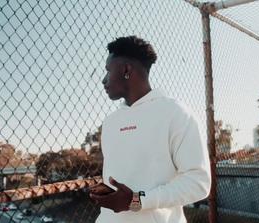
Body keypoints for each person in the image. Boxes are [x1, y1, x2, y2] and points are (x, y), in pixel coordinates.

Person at [89, 36, 211, 223]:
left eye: (108, 71)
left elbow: (198, 182)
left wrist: (136, 200)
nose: (103, 80)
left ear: (126, 69)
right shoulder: (110, 122)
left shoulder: (176, 113)